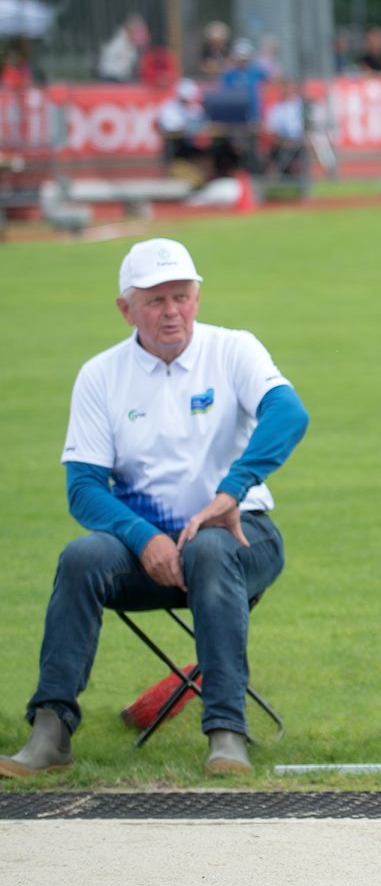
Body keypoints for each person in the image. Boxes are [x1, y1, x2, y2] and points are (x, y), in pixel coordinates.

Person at [0, 239, 309, 780]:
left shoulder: (234, 349)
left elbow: (289, 413)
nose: (173, 312)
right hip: (145, 549)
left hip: (243, 536)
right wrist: (143, 538)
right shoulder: (100, 375)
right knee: (80, 558)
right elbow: (84, 488)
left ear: (198, 296)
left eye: (182, 297)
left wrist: (230, 492)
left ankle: (226, 733)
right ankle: (50, 732)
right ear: (126, 309)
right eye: (156, 300)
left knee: (212, 548)